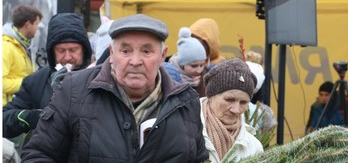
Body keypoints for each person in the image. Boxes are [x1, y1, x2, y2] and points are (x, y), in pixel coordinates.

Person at [21, 14, 209, 162]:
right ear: (111, 53)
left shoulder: (187, 102)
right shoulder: (74, 90)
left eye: (146, 51)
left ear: (163, 55)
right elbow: (38, 154)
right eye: (125, 51)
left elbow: (198, 159)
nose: (135, 61)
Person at [3, 13, 92, 143]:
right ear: (51, 52)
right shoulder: (37, 81)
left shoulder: (100, 79)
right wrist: (30, 117)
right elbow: (4, 119)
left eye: (73, 50)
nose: (67, 57)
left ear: (84, 50)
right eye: (61, 51)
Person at [201, 58, 263, 162]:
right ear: (211, 96)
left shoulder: (253, 147)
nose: (236, 110)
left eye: (243, 102)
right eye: (229, 99)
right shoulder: (187, 133)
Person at [3, 5, 42, 106]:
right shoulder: (6, 46)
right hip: (6, 112)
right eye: (36, 24)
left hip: (17, 106)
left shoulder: (23, 45)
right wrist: (28, 84)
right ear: (28, 24)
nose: (37, 28)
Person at [164, 26, 207, 96]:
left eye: (202, 65)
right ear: (182, 64)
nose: (199, 70)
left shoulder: (206, 78)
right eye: (194, 66)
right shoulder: (167, 78)